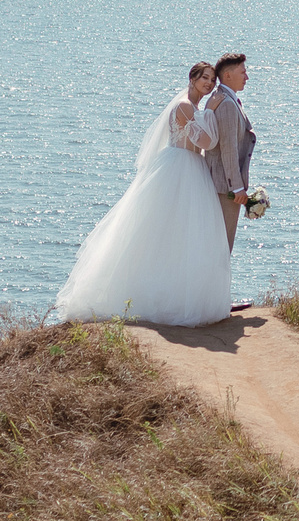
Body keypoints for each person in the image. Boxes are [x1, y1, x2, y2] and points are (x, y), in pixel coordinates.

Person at [52, 60, 232, 326]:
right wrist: (210, 113)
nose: (209, 83)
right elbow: (205, 141)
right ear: (192, 78)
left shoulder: (194, 107)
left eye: (213, 80)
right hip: (179, 168)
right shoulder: (184, 106)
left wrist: (206, 113)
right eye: (205, 78)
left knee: (185, 235)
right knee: (163, 232)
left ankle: (177, 293)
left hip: (193, 169)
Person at [201, 51, 256, 252]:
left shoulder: (225, 99)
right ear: (228, 75)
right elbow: (228, 148)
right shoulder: (226, 104)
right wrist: (237, 188)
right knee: (222, 247)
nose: (247, 77)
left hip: (223, 185)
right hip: (225, 188)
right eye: (243, 72)